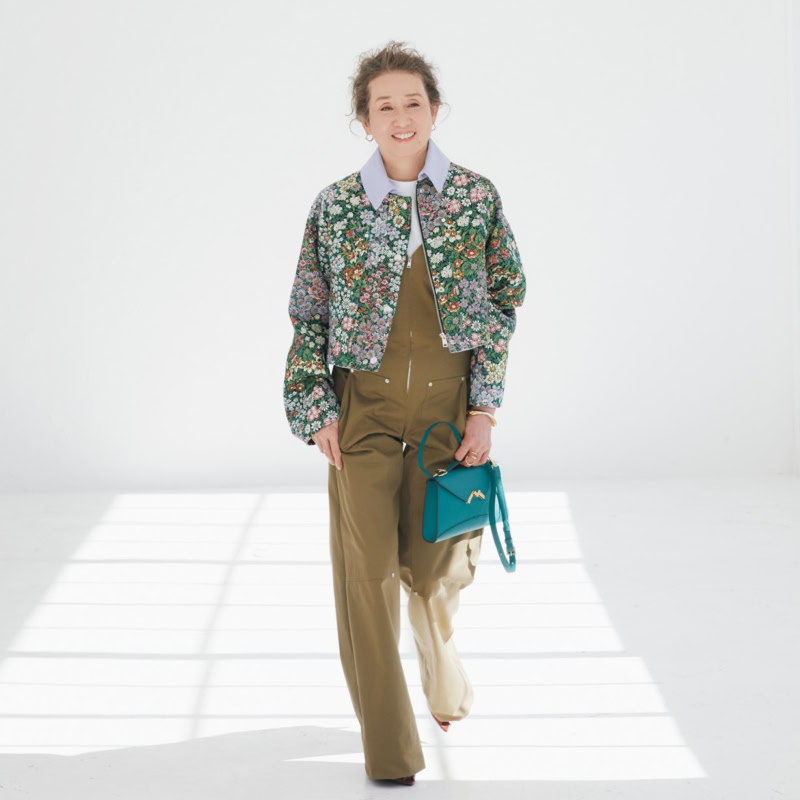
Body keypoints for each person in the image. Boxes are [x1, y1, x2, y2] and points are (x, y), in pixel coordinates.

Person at [282, 40, 527, 786]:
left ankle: (441, 666)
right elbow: (309, 314)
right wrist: (315, 406)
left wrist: (484, 408)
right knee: (367, 581)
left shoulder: (475, 197)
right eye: (383, 105)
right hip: (362, 412)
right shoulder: (336, 207)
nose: (399, 116)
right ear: (364, 119)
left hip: (448, 415)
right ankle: (390, 752)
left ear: (435, 109)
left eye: (412, 102)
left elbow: (504, 305)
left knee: (436, 570)